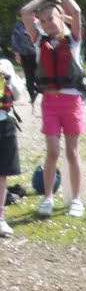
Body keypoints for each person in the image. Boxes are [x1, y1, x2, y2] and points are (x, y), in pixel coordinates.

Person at [22, 0, 86, 219]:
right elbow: (25, 12)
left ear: (62, 18)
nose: (49, 23)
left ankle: (76, 200)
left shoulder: (74, 41)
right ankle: (47, 197)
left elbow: (78, 13)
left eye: (52, 18)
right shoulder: (40, 42)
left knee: (72, 152)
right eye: (45, 20)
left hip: (71, 104)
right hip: (49, 103)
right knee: (52, 152)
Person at [0, 58, 24, 237]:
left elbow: (17, 94)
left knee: (2, 174)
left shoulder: (5, 65)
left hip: (4, 124)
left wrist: (8, 77)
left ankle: (0, 217)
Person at [10, 16, 37, 103]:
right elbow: (15, 40)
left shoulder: (38, 23)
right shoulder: (19, 25)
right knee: (29, 76)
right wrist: (17, 54)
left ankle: (41, 92)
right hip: (25, 54)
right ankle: (32, 95)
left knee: (40, 75)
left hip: (38, 53)